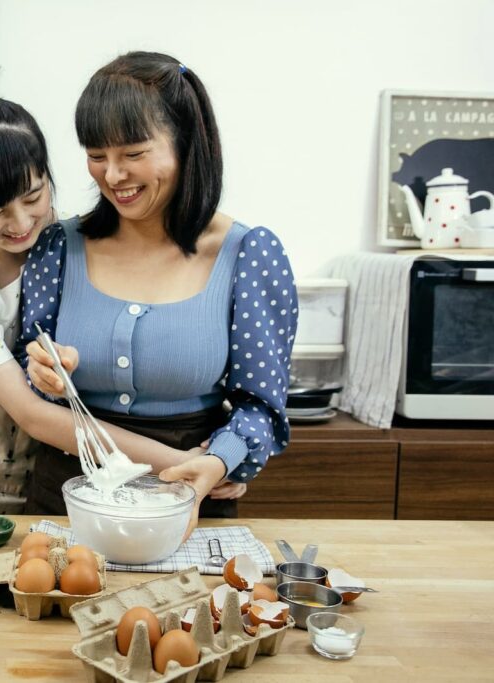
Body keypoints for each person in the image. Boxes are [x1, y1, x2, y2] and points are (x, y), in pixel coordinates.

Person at [0, 59, 200, 515]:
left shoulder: (65, 243)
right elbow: (31, 412)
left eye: (33, 197)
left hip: (32, 471)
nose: (20, 223)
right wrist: (184, 465)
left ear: (48, 174)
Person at [19, 52, 298, 530]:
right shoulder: (59, 247)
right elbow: (26, 365)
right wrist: (41, 370)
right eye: (96, 155)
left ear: (186, 143)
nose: (112, 175)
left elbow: (261, 409)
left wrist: (220, 462)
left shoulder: (248, 255)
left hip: (189, 497)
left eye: (133, 154)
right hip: (65, 502)